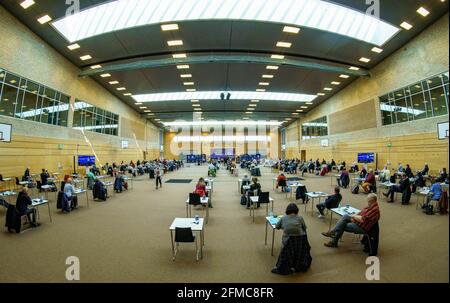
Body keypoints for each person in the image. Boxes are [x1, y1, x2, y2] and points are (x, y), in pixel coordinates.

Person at [271, 203, 311, 275]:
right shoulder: (300, 218)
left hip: (289, 241)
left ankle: (281, 267)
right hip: (301, 241)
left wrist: (285, 227)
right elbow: (305, 228)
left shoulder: (283, 218)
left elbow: (277, 227)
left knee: (286, 243)